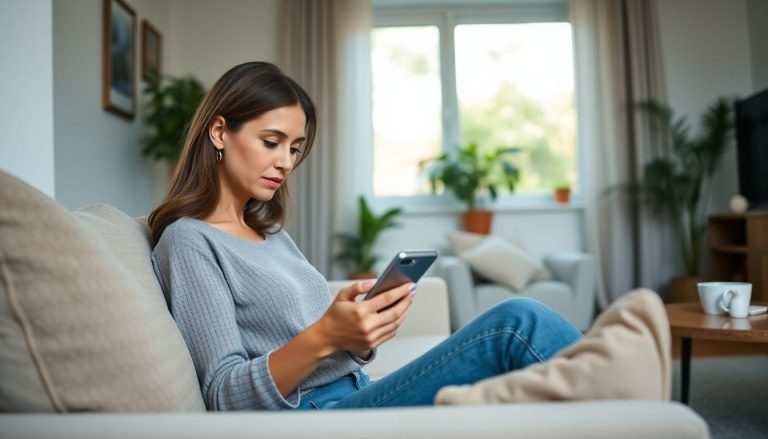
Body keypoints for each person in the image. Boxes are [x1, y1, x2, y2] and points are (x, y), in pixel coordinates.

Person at [149, 61, 584, 411]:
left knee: (527, 366)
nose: (286, 162)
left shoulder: (271, 234)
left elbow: (319, 340)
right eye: (271, 141)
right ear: (220, 131)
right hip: (319, 417)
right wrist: (326, 336)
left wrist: (360, 336)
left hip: (358, 390)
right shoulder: (189, 241)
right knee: (517, 323)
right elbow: (224, 396)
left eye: (295, 148)